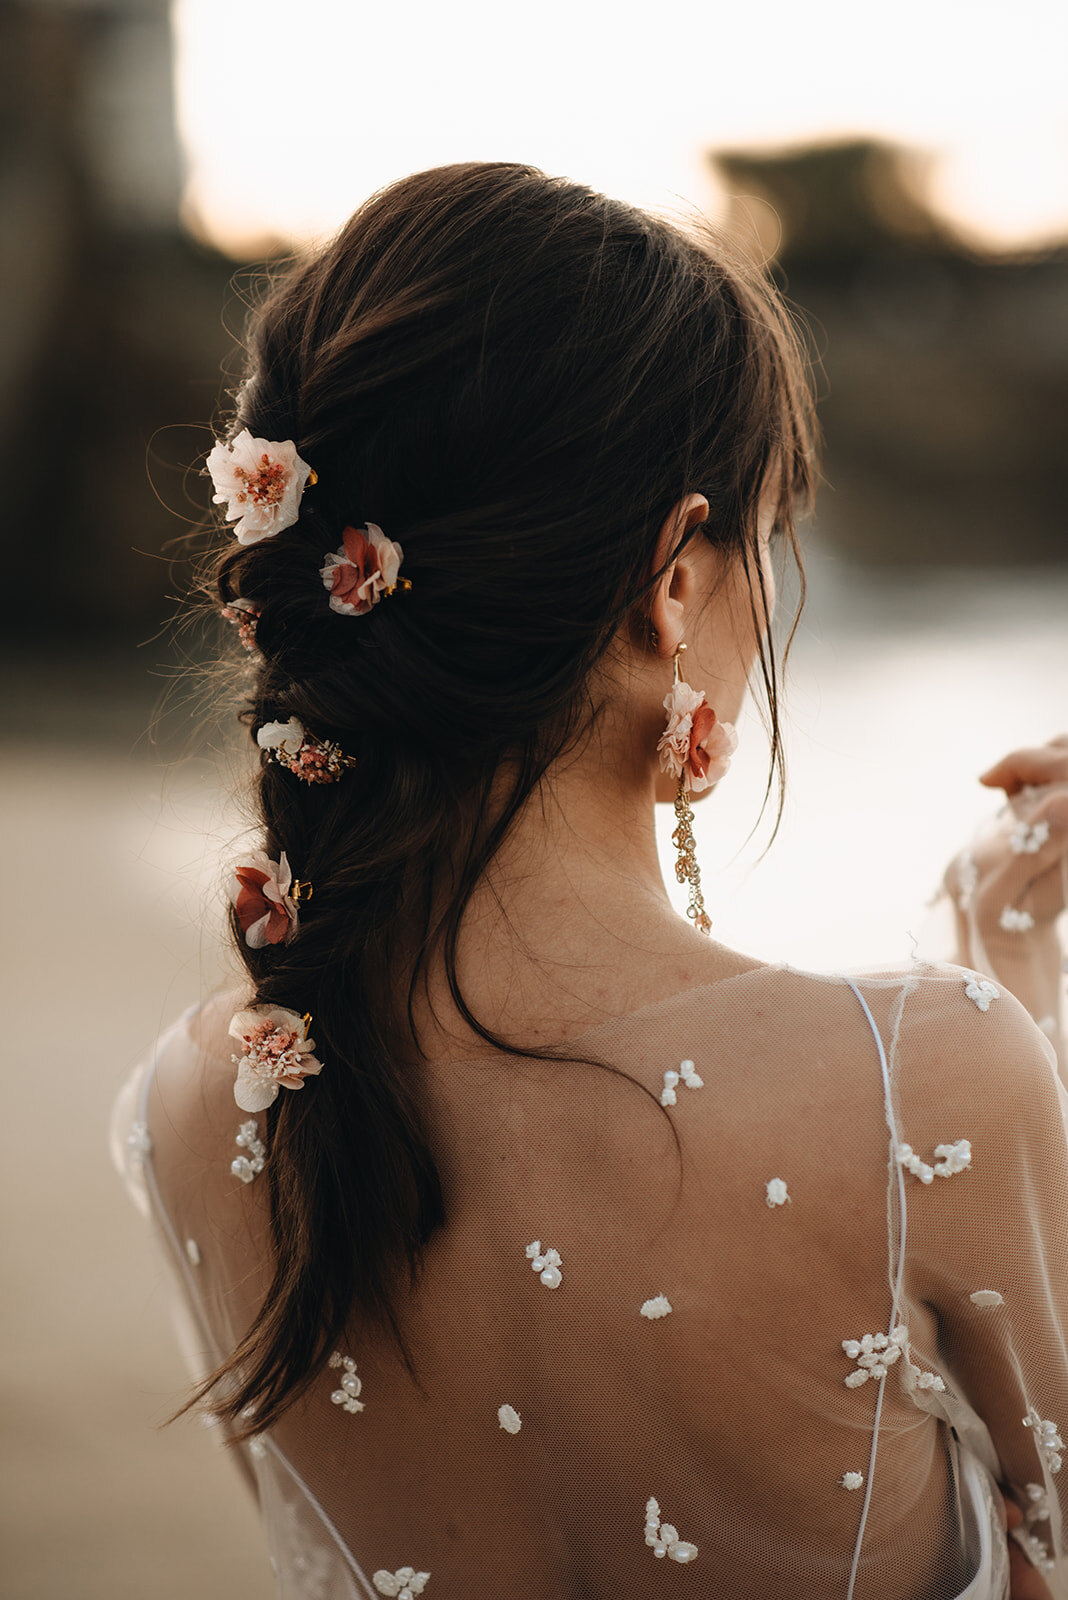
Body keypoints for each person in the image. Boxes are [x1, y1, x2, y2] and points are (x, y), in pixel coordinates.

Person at [112, 162, 1068, 1599]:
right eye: (769, 535)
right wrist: (1016, 992)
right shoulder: (932, 1084)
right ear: (670, 583)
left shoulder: (207, 1102)